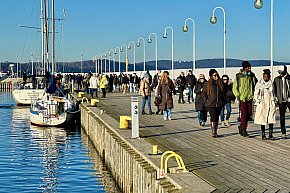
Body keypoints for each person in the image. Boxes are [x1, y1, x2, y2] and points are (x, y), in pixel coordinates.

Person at [233, 61, 258, 137]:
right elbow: (234, 87)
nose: (249, 69)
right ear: (244, 68)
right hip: (242, 98)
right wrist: (238, 95)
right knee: (244, 114)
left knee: (249, 114)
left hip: (249, 97)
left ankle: (241, 126)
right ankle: (244, 129)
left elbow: (256, 84)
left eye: (250, 67)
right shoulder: (238, 76)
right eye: (248, 67)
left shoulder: (252, 75)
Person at [254, 69, 276, 140]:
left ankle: (270, 134)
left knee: (271, 119)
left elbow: (273, 93)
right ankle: (263, 134)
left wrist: (274, 100)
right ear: (263, 76)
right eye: (265, 77)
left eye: (267, 77)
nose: (266, 78)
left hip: (270, 103)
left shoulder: (271, 83)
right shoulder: (259, 84)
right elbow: (256, 94)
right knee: (262, 119)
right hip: (262, 103)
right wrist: (258, 100)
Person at [202, 69, 224, 138]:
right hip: (211, 104)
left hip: (219, 104)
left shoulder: (220, 83)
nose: (216, 76)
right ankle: (213, 132)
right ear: (211, 76)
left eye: (217, 75)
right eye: (214, 75)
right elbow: (203, 93)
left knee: (216, 118)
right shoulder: (208, 84)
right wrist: (206, 101)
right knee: (213, 116)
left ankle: (216, 131)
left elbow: (224, 92)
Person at [273, 65, 290, 139]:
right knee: (282, 116)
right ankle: (283, 132)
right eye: (279, 72)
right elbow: (274, 89)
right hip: (281, 100)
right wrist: (276, 98)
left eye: (281, 72)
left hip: (289, 99)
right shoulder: (276, 79)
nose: (280, 74)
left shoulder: (289, 78)